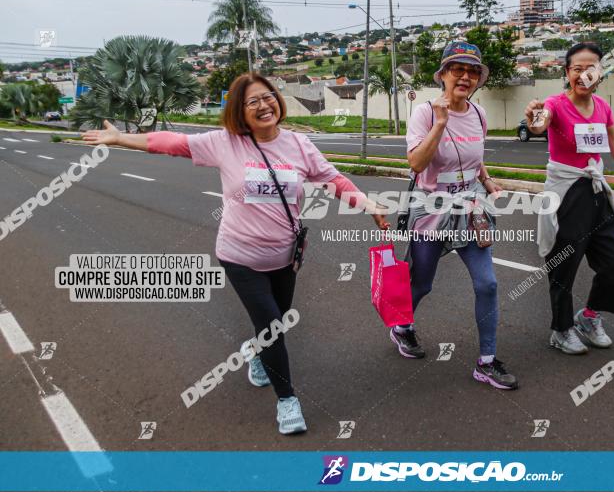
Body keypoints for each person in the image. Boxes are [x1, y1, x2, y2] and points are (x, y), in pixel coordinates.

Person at [82, 73, 388, 434]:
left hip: (285, 256)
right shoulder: (224, 143)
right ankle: (287, 400)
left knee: (278, 320)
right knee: (273, 327)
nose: (263, 105)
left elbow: (333, 179)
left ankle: (258, 352)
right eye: (252, 101)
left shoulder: (298, 145)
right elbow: (172, 141)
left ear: (278, 100)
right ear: (239, 112)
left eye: (267, 97)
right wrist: (121, 138)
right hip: (239, 256)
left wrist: (366, 203)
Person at [393, 41, 517, 390]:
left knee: (487, 283)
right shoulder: (425, 113)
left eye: (473, 71)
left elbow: (475, 160)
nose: (465, 76)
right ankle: (402, 327)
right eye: (458, 69)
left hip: (470, 207)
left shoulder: (479, 114)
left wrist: (488, 181)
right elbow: (416, 163)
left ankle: (487, 362)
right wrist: (441, 122)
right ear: (443, 74)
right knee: (422, 282)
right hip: (431, 208)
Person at [524, 42, 614, 355]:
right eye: (577, 68)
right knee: (564, 265)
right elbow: (541, 123)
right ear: (567, 73)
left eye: (591, 68)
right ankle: (561, 329)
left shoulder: (602, 108)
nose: (584, 74)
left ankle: (590, 317)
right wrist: (535, 121)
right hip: (567, 193)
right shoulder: (556, 103)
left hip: (595, 191)